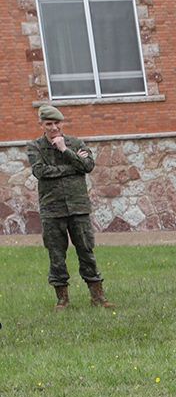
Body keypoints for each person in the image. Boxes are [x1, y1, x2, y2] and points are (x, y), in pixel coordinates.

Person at [27, 105, 113, 309]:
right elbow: (40, 172)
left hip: (78, 207)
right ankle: (62, 299)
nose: (54, 127)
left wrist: (65, 150)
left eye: (57, 123)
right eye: (49, 124)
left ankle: (97, 297)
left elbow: (88, 166)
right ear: (42, 125)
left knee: (86, 251)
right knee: (56, 255)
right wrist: (72, 167)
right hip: (52, 209)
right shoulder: (35, 147)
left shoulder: (75, 143)